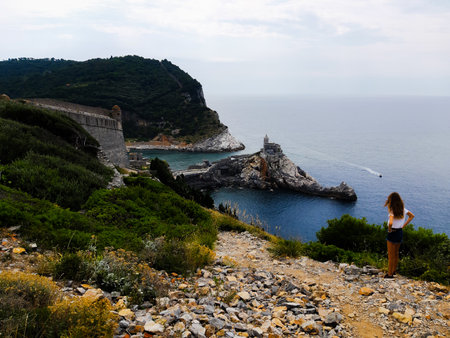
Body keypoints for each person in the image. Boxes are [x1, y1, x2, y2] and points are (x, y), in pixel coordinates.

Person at [384, 192, 414, 278]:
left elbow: (390, 223)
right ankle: (393, 271)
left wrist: (389, 229)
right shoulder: (403, 209)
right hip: (400, 232)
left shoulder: (392, 210)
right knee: (396, 254)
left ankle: (389, 274)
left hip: (392, 233)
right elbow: (412, 216)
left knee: (390, 255)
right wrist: (403, 226)